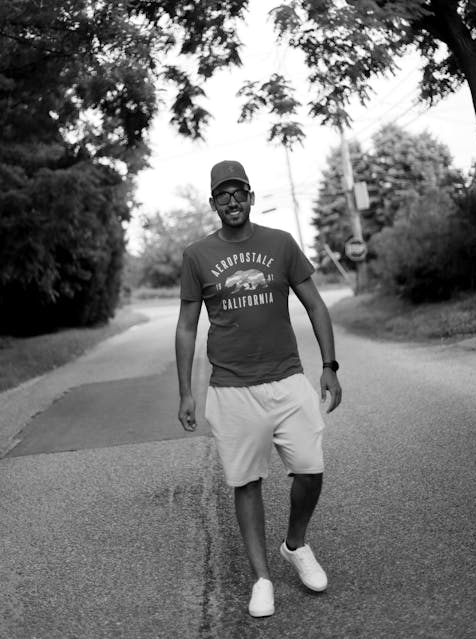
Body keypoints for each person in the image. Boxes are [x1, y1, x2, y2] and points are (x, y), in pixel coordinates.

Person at [175, 160, 342, 618]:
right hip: (231, 389)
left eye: (239, 192)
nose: (232, 201)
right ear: (214, 203)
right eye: (222, 195)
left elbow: (315, 305)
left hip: (288, 379)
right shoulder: (196, 255)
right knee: (246, 483)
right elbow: (188, 327)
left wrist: (329, 365)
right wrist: (187, 392)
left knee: (311, 470)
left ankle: (295, 544)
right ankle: (262, 578)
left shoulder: (281, 244)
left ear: (250, 196)